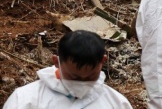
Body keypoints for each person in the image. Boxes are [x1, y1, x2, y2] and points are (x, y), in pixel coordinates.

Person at [3, 30, 132, 108]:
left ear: (103, 61)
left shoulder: (117, 104)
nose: (82, 83)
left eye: (90, 77)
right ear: (57, 62)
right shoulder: (26, 100)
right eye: (74, 77)